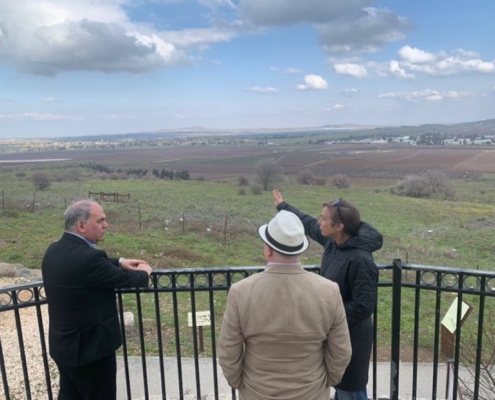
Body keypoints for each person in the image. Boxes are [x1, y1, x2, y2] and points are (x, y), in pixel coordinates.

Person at [217, 210, 352, 400]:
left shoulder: (241, 291)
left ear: (268, 249)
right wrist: (326, 381)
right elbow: (341, 351)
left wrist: (240, 383)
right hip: (311, 391)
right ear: (300, 249)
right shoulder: (328, 291)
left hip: (257, 391)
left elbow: (228, 350)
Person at [273, 189, 382, 400]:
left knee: (352, 390)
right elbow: (307, 223)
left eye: (323, 218)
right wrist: (283, 206)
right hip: (335, 333)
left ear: (339, 227)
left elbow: (363, 306)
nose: (319, 221)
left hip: (353, 338)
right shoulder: (334, 242)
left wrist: (331, 321)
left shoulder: (361, 260)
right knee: (338, 385)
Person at [41, 200, 152, 400]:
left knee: (70, 395)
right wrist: (145, 272)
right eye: (100, 220)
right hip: (91, 351)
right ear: (82, 225)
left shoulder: (54, 250)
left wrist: (119, 261)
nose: (105, 225)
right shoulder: (88, 259)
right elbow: (126, 279)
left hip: (64, 347)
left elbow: (85, 264)